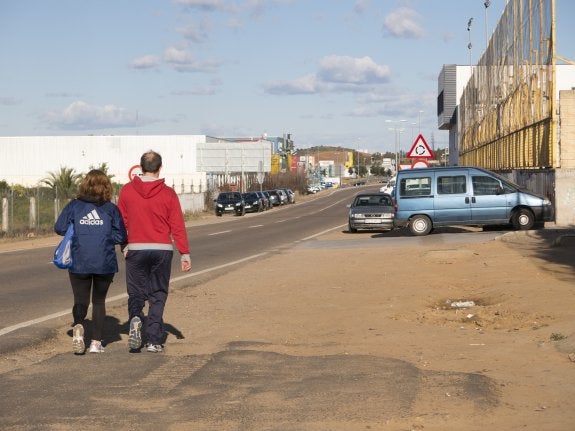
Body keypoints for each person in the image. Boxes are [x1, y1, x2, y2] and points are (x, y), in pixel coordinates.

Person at [118, 150, 192, 353]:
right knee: (157, 293)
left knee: (136, 292)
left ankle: (135, 318)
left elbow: (121, 222)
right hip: (162, 250)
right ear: (160, 168)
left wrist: (123, 245)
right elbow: (177, 225)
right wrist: (184, 253)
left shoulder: (126, 191)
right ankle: (153, 340)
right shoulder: (168, 193)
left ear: (140, 168)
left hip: (136, 248)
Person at [54, 169, 127, 354]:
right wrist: (104, 234)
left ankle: (78, 325)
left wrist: (79, 229)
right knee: (99, 301)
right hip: (104, 262)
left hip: (80, 260)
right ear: (107, 186)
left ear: (85, 185)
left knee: (81, 299)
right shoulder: (111, 209)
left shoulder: (74, 206)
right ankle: (95, 343)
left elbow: (59, 228)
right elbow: (121, 235)